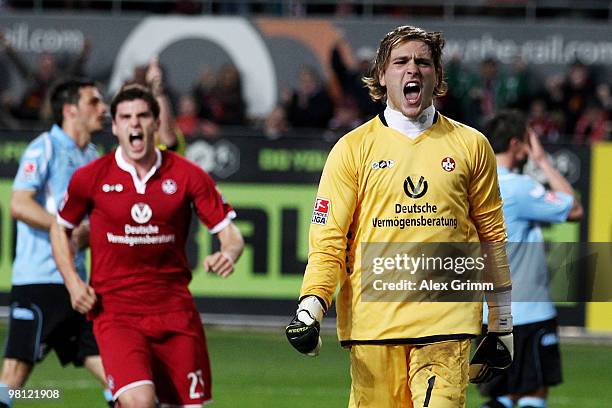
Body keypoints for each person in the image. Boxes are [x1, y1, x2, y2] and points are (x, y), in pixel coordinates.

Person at [285, 25, 514, 407]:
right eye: (401, 62)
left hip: (446, 321)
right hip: (374, 324)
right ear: (381, 74)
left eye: (423, 62)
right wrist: (310, 308)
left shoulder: (472, 145)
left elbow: (492, 235)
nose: (413, 70)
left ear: (437, 76)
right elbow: (329, 241)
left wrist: (502, 321)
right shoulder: (351, 149)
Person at [50, 85, 244, 407]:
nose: (134, 124)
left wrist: (228, 253)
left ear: (156, 123)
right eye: (125, 117)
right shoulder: (91, 177)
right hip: (116, 312)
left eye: (142, 116)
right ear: (114, 126)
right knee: (140, 400)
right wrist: (72, 282)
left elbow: (230, 234)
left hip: (176, 312)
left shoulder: (188, 174)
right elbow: (60, 227)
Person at [0, 78, 111, 407]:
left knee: (119, 373)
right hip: (40, 282)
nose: (102, 109)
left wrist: (89, 233)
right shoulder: (44, 147)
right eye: (94, 102)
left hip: (77, 284)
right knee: (14, 376)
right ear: (70, 110)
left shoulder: (93, 156)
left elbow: (92, 226)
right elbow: (19, 204)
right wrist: (64, 227)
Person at [479, 110, 584, 408]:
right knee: (532, 394)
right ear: (516, 144)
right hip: (528, 314)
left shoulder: (473, 187)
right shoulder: (519, 187)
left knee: (499, 396)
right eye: (528, 142)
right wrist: (542, 161)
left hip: (490, 318)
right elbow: (574, 209)